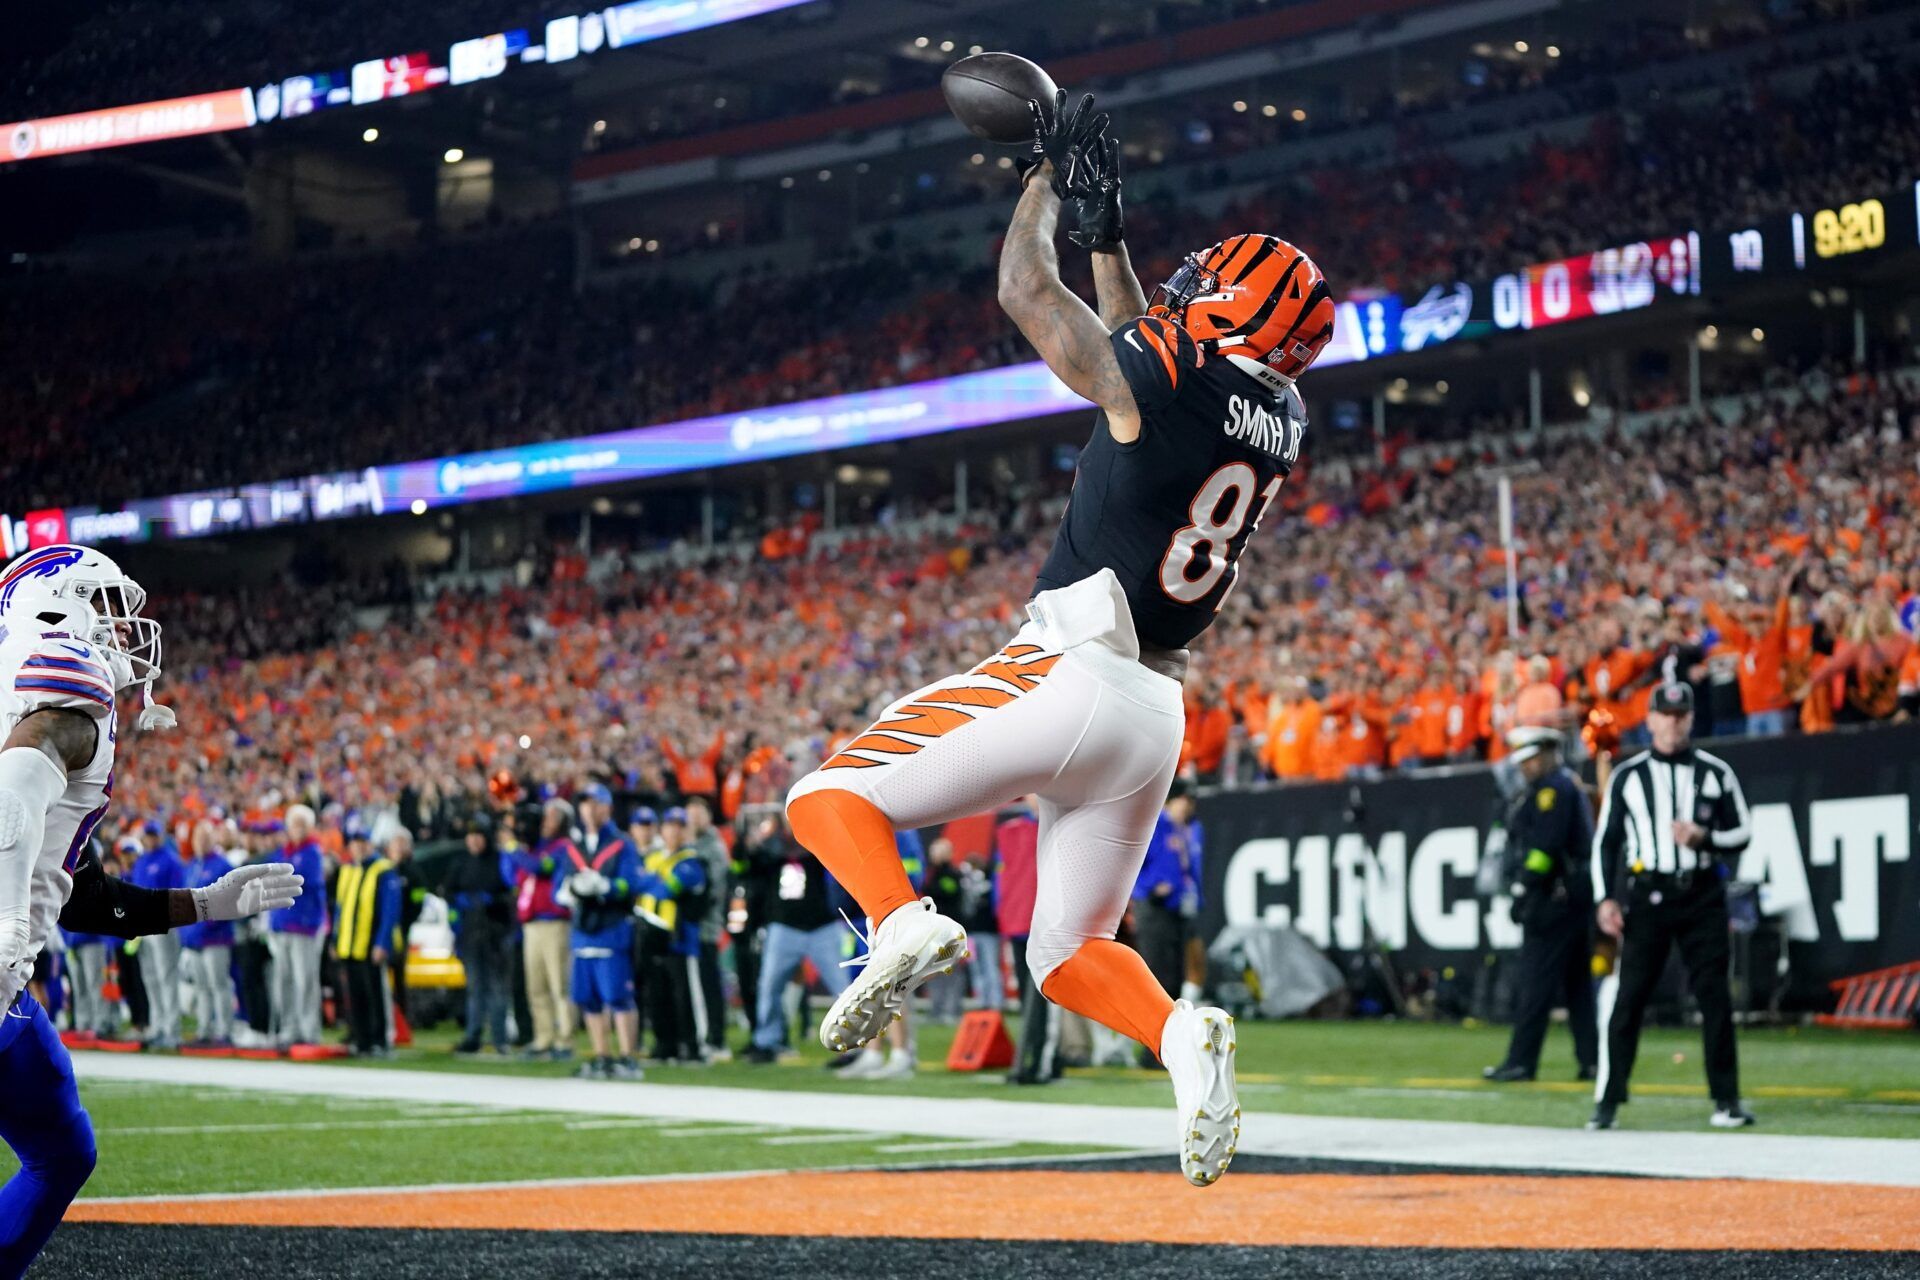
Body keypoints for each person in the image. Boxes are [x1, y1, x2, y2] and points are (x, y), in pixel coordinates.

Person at [782, 94, 1330, 1185]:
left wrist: (1043, 180)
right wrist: (1111, 234)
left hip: (1073, 665)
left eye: (1211, 283)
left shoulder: (1179, 376)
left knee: (825, 797)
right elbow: (1143, 349)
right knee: (1067, 952)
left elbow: (1025, 293)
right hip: (1153, 711)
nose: (1192, 286)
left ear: (1230, 312)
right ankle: (1181, 1035)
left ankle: (897, 921)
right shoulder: (1279, 413)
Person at [0, 543, 302, 1273]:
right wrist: (5, 937)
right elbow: (12, 797)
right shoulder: (64, 682)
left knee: (65, 1151)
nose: (128, 632)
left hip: (9, 993)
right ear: (58, 602)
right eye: (109, 608)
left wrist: (201, 902)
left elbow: (84, 896)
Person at [1589, 683, 1756, 1131]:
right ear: (1651, 720)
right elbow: (1606, 842)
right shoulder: (1628, 775)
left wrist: (1706, 839)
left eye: (1681, 714)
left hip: (1701, 892)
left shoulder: (1715, 771)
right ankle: (1607, 1101)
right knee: (1630, 998)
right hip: (1648, 896)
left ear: (1691, 719)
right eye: (1666, 714)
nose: (1674, 721)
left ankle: (1727, 1099)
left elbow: (1743, 832)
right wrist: (1606, 897)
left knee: (1715, 998)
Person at [1482, 728, 1597, 1084]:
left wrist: (1522, 888)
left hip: (1554, 902)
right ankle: (1592, 1060)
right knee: (1579, 988)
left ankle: (1521, 1061)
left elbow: (1544, 849)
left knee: (1536, 983)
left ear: (1547, 753)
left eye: (1530, 759)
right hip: (1574, 898)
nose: (1526, 767)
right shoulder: (1562, 786)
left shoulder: (1554, 791)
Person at [740, 818, 849, 1064]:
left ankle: (852, 1046)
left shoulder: (819, 840)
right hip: (784, 926)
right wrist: (753, 844)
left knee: (844, 989)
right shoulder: (772, 845)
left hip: (823, 925)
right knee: (769, 986)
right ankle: (767, 1041)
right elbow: (750, 865)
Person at [564, 788, 643, 1079]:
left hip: (611, 926)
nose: (588, 810)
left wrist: (605, 887)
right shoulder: (575, 844)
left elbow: (631, 882)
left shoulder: (621, 843)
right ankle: (601, 1056)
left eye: (594, 804)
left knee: (617, 995)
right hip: (583, 928)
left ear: (606, 808)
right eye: (584, 804)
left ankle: (627, 1057)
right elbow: (563, 879)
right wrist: (570, 890)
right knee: (588, 997)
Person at [636, 807, 709, 1064]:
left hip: (680, 939)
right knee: (658, 994)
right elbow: (638, 885)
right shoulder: (656, 858)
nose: (674, 831)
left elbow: (668, 889)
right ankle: (664, 1045)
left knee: (685, 995)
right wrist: (651, 882)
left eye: (680, 826)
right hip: (652, 937)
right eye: (670, 825)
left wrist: (650, 881)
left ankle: (693, 1046)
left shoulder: (692, 861)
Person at [510, 800, 574, 1058]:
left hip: (555, 922)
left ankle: (565, 1039)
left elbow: (540, 868)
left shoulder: (564, 848)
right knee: (535, 985)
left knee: (560, 984)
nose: (545, 822)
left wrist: (513, 849)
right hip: (531, 923)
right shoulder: (536, 848)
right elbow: (513, 876)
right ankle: (543, 1036)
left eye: (552, 818)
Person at [332, 817, 401, 1056]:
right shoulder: (349, 869)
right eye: (354, 842)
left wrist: (383, 942)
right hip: (349, 944)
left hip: (370, 943)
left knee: (375, 994)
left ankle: (380, 1040)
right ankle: (361, 1040)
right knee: (356, 995)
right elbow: (341, 908)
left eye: (362, 841)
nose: (358, 846)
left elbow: (390, 911)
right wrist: (335, 938)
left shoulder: (383, 870)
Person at [445, 818, 513, 1055]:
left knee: (496, 987)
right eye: (470, 835)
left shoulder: (498, 860)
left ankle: (499, 1038)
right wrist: (456, 924)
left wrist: (491, 903)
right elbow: (450, 893)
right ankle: (473, 1035)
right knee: (475, 987)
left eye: (479, 835)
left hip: (494, 932)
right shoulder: (461, 862)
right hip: (471, 932)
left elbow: (508, 891)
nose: (474, 840)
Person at [1132, 779, 1203, 1003]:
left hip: (1176, 909)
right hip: (1153, 908)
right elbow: (1129, 864)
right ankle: (1152, 1036)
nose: (1189, 806)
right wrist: (1148, 889)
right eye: (1185, 800)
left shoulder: (1181, 830)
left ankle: (1170, 1033)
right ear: (1170, 800)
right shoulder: (1153, 825)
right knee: (1156, 973)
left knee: (1174, 976)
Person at [266, 803, 327, 1048]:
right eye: (294, 824)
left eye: (302, 824)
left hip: (304, 924)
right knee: (285, 980)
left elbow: (302, 883)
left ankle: (308, 1029)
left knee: (305, 980)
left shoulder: (312, 852)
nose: (298, 829)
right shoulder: (284, 853)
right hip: (283, 923)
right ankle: (289, 1028)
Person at [179, 820, 238, 1047]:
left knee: (218, 985)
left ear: (214, 839)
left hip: (215, 938)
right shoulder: (192, 865)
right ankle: (205, 1029)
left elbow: (227, 902)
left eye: (205, 838)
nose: (201, 842)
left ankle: (225, 1031)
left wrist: (205, 924)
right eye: (198, 838)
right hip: (194, 939)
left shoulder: (222, 866)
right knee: (202, 987)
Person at [682, 796, 732, 1060]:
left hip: (706, 926)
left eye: (698, 814)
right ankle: (700, 1035)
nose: (693, 820)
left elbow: (712, 889)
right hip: (688, 928)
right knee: (696, 985)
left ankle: (716, 1037)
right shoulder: (690, 843)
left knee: (708, 984)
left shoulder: (713, 846)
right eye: (689, 814)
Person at [127, 820, 185, 1049]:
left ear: (160, 836)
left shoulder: (170, 860)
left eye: (153, 835)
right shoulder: (141, 862)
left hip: (162, 927)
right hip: (144, 928)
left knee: (166, 977)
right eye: (148, 835)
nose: (151, 839)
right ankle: (158, 1026)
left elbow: (178, 894)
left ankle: (172, 1029)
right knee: (150, 978)